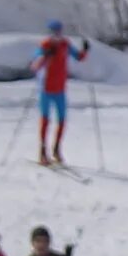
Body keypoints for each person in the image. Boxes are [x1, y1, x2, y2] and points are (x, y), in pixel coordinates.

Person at [33, 19, 91, 166]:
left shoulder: (65, 44)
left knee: (62, 119)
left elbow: (79, 57)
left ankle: (57, 148)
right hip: (46, 89)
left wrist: (85, 50)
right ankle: (43, 151)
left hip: (60, 89)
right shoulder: (45, 45)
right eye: (54, 32)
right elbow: (35, 65)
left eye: (59, 31)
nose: (57, 35)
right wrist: (46, 55)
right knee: (45, 120)